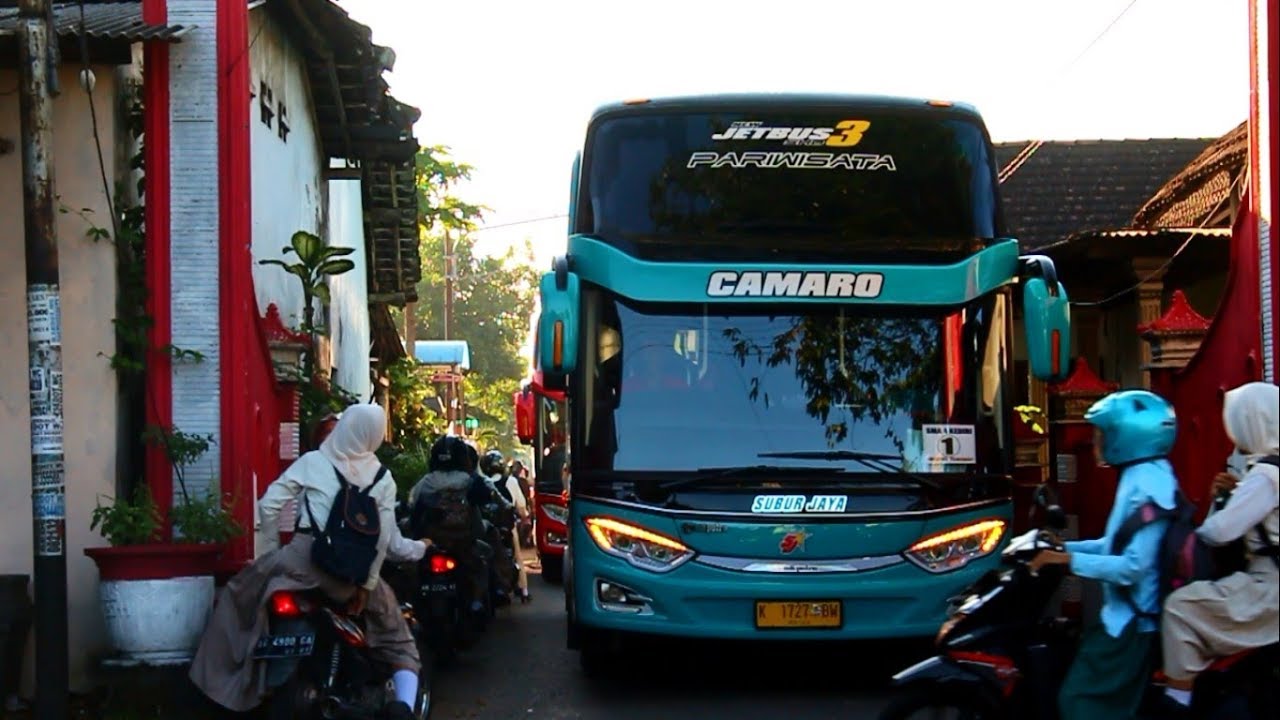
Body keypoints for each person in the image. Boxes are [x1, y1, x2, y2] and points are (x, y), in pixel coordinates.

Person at [190, 404, 426, 719]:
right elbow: (383, 541)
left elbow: (269, 506)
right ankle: (404, 707)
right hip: (350, 578)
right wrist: (366, 586)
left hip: (298, 563)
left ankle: (213, 687)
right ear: (375, 436)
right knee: (397, 637)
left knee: (236, 596)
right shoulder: (383, 479)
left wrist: (274, 551)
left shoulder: (314, 461)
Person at [1028, 389, 1178, 720]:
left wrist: (1068, 560)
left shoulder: (1148, 487)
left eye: (1102, 432)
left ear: (1127, 437)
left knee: (1078, 703)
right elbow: (1113, 544)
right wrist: (1062, 548)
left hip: (1131, 627)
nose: (1096, 440)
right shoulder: (1142, 475)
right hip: (1119, 619)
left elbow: (1132, 567)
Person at [1158, 381, 1279, 713]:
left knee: (1180, 607)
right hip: (1267, 581)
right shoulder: (1266, 472)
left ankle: (1177, 702)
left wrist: (1192, 533)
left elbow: (1220, 531)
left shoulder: (1265, 475)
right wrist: (1232, 494)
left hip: (1268, 589)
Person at [481, 450, 531, 603]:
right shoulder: (511, 481)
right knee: (518, 556)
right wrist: (524, 514)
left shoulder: (481, 482)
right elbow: (521, 506)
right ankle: (524, 590)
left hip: (486, 528)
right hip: (506, 527)